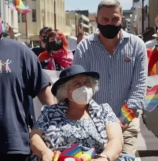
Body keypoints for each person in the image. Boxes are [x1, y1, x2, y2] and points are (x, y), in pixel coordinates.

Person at [0, 2, 54, 161]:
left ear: (1, 22)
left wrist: (55, 124)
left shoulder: (21, 52)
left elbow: (44, 91)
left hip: (14, 145)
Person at [73, 0, 147, 158]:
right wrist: (97, 124)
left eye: (115, 19)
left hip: (126, 123)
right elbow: (78, 88)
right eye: (105, 20)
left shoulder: (137, 46)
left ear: (121, 19)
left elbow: (139, 88)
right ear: (97, 21)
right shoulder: (84, 48)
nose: (110, 23)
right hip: (92, 124)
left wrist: (121, 122)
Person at [30, 65, 123, 161]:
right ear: (65, 92)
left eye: (87, 83)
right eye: (77, 84)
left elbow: (116, 140)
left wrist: (104, 158)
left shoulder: (104, 111)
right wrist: (45, 152)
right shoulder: (49, 112)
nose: (84, 88)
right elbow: (35, 137)